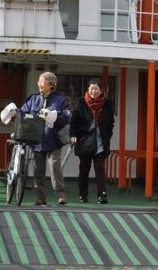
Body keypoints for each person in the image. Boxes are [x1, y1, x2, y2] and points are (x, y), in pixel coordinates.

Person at [19, 71, 71, 205]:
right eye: (38, 82)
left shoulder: (60, 99)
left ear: (50, 84)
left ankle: (61, 195)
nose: (39, 84)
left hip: (53, 139)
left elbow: (67, 116)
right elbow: (23, 112)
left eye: (41, 81)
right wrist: (15, 112)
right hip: (36, 139)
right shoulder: (33, 98)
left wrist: (55, 115)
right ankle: (40, 197)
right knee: (38, 169)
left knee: (54, 166)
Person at [69, 78, 115, 204]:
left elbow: (111, 122)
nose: (93, 91)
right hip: (85, 140)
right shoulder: (81, 102)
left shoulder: (106, 104)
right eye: (91, 89)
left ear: (101, 91)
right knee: (84, 169)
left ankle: (102, 195)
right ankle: (83, 194)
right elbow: (74, 121)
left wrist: (108, 135)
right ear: (88, 90)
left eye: (96, 89)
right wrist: (73, 135)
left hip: (100, 141)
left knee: (99, 168)